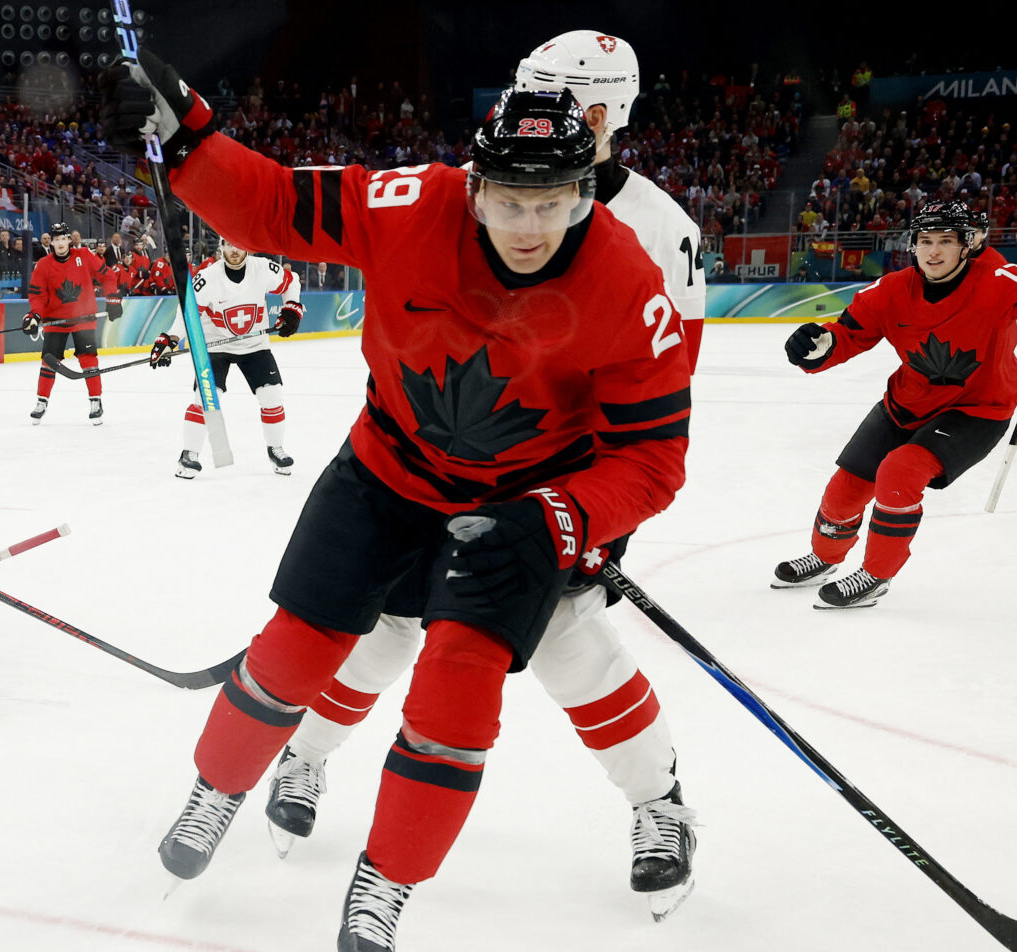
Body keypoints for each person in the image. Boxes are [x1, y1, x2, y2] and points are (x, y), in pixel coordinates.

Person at [105, 60, 690, 951]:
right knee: (298, 651)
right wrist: (189, 138)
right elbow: (270, 206)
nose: (528, 226)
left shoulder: (628, 283)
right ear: (474, 186)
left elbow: (652, 455)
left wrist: (566, 517)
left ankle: (390, 878)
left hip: (519, 510)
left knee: (464, 687)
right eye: (507, 200)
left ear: (586, 195)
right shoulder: (412, 203)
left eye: (555, 202)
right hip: (386, 473)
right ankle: (218, 788)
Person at [257, 30, 706, 918]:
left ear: (602, 110)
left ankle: (660, 806)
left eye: (546, 92)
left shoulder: (660, 228)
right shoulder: (471, 188)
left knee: (569, 649)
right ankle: (303, 755)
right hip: (422, 478)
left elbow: (661, 393)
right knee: (383, 633)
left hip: (548, 493)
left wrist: (588, 517)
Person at [774, 200, 1017, 608]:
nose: (933, 252)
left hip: (976, 410)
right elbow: (846, 335)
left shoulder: (1001, 282)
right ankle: (825, 556)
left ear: (968, 246)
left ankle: (876, 574)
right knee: (845, 488)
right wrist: (815, 346)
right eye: (925, 241)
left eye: (945, 241)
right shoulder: (891, 290)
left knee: (899, 472)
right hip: (904, 403)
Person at [150, 236, 303, 478]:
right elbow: (188, 313)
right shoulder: (208, 278)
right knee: (207, 398)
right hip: (214, 346)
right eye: (229, 245)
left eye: (239, 244)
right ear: (221, 247)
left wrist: (292, 308)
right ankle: (188, 454)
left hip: (255, 344)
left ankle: (276, 448)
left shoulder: (262, 269)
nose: (235, 250)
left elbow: (291, 281)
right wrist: (169, 339)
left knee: (271, 394)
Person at [23, 222, 107, 424]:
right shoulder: (43, 264)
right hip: (55, 319)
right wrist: (34, 316)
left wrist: (113, 298)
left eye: (63, 239)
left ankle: (96, 401)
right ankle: (41, 401)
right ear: (51, 242)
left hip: (83, 318)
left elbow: (106, 275)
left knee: (88, 360)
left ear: (69, 240)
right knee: (48, 361)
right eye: (56, 240)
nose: (60, 243)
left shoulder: (85, 256)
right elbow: (38, 296)